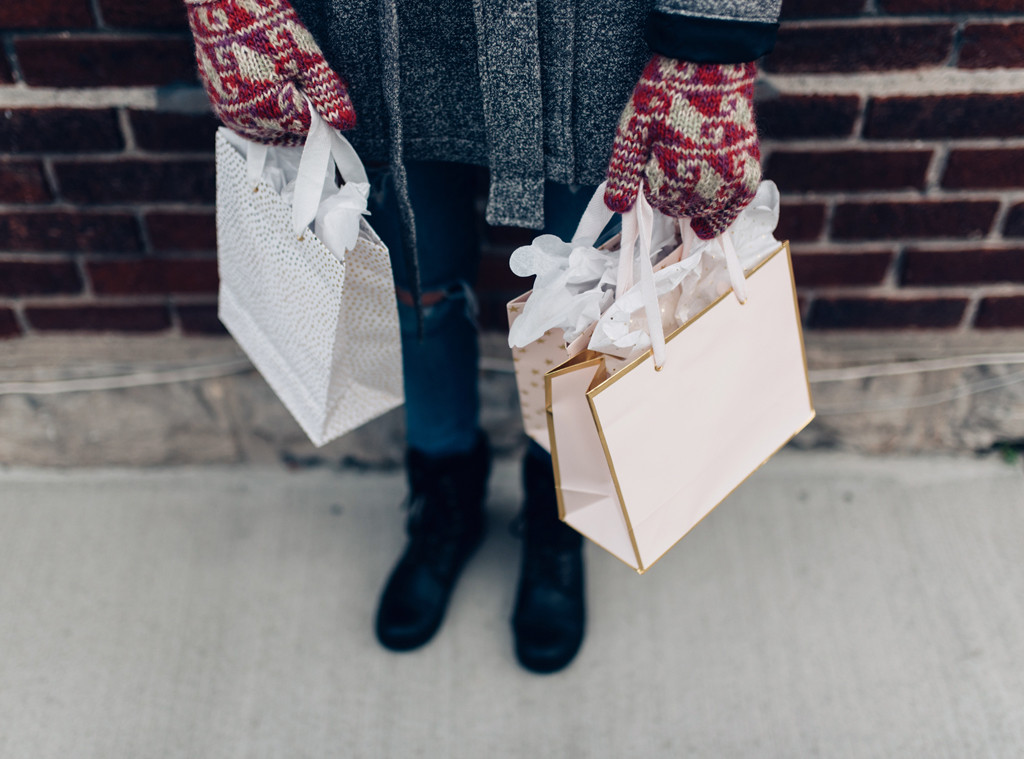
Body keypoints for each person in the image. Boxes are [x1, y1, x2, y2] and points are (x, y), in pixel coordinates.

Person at [185, 0, 780, 674]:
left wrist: (711, 51)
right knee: (411, 278)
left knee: (588, 304)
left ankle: (560, 506)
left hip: (597, 26)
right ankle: (446, 490)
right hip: (374, 25)